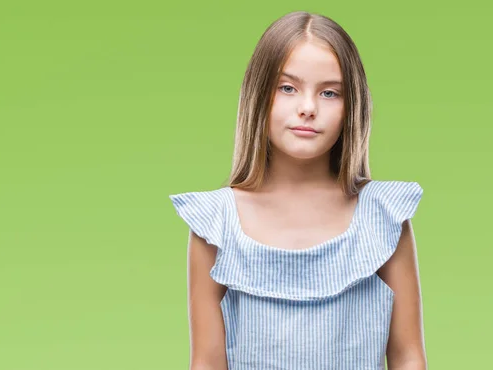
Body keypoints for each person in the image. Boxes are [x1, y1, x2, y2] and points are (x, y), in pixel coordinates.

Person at [169, 10, 427, 370]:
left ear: (352, 106)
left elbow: (408, 357)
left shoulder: (384, 217)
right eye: (287, 87)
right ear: (259, 95)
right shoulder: (216, 225)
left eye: (330, 92)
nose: (308, 108)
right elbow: (207, 362)